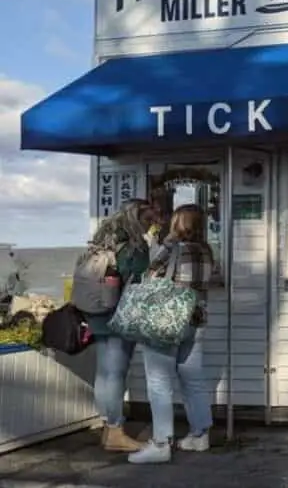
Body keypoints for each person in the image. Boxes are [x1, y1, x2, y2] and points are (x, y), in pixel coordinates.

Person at [128, 204, 217, 464]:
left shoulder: (174, 249)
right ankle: (200, 435)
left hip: (167, 322)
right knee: (194, 381)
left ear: (178, 223)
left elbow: (148, 276)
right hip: (195, 320)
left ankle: (161, 443)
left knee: (159, 383)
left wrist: (164, 243)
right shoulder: (206, 251)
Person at [82, 199, 155, 452]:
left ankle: (107, 427)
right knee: (115, 374)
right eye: (147, 218)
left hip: (97, 312)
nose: (151, 223)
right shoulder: (134, 244)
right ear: (135, 218)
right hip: (119, 314)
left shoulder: (102, 239)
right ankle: (115, 431)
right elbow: (138, 278)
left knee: (104, 374)